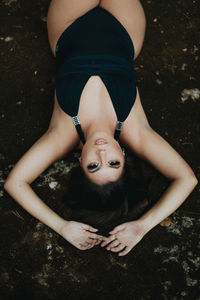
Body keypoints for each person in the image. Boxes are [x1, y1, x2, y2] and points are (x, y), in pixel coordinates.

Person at [4, 0, 198, 256]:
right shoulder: (135, 132)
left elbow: (15, 183)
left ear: (80, 162)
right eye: (114, 164)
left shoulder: (63, 134)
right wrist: (142, 226)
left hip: (69, 26)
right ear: (123, 156)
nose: (103, 154)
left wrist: (61, 226)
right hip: (124, 30)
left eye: (94, 166)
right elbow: (187, 179)